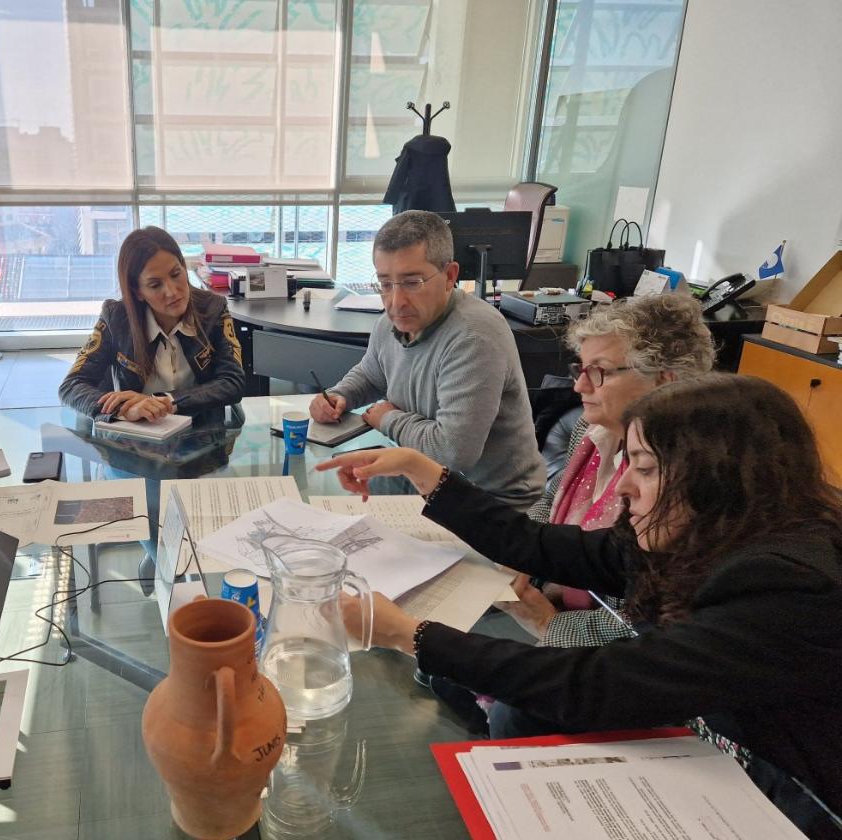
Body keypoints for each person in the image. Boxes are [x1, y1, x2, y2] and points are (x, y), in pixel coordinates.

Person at [318, 375, 842, 833]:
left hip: (790, 796)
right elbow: (538, 544)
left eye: (647, 469)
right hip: (718, 749)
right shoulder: (704, 533)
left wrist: (404, 633)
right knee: (519, 714)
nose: (625, 490)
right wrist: (420, 468)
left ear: (719, 480)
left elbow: (597, 685)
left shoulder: (787, 586)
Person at [504, 293, 715, 646]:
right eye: (581, 370)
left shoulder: (686, 479)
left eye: (599, 372)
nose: (579, 386)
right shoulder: (592, 432)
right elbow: (551, 500)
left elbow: (649, 617)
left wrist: (548, 626)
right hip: (558, 612)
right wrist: (521, 554)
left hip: (617, 660)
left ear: (664, 380)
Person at [310, 210, 543, 509]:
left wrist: (388, 419)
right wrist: (339, 396)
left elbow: (451, 451)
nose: (395, 302)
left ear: (449, 276)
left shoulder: (474, 337)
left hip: (490, 501)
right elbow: (372, 374)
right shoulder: (393, 320)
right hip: (424, 480)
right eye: (385, 283)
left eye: (412, 282)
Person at [59, 226, 246, 421]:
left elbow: (233, 382)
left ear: (184, 267)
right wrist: (124, 409)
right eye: (155, 285)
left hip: (202, 433)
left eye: (176, 274)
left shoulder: (213, 308)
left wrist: (167, 402)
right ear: (138, 291)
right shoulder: (116, 318)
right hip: (139, 439)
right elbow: (72, 386)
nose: (172, 291)